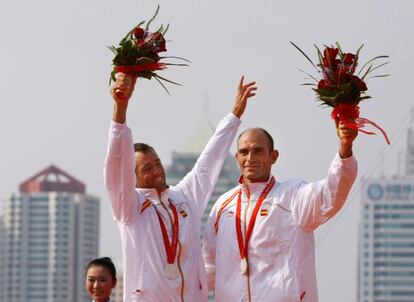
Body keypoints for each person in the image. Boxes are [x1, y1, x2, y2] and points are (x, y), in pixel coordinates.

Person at [104, 72, 257, 301]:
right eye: (147, 169)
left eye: (157, 163)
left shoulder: (184, 197)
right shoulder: (129, 207)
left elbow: (208, 160)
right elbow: (116, 167)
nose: (157, 171)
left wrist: (234, 115)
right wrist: (120, 109)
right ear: (133, 178)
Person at [202, 121, 358, 302]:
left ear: (273, 156)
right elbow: (207, 268)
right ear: (237, 157)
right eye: (244, 152)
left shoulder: (292, 196)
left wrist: (345, 147)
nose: (250, 158)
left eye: (258, 150)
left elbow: (331, 193)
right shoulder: (222, 206)